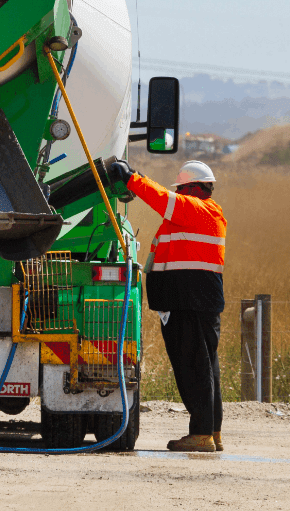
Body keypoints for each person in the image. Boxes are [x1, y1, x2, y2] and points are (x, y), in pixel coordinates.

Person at [110, 159, 227, 453]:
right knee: (206, 365)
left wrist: (132, 178)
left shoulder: (194, 209)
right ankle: (211, 430)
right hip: (197, 298)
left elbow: (161, 198)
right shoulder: (205, 214)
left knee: (193, 365)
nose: (180, 194)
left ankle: (202, 434)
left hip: (187, 299)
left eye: (183, 189)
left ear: (192, 188)